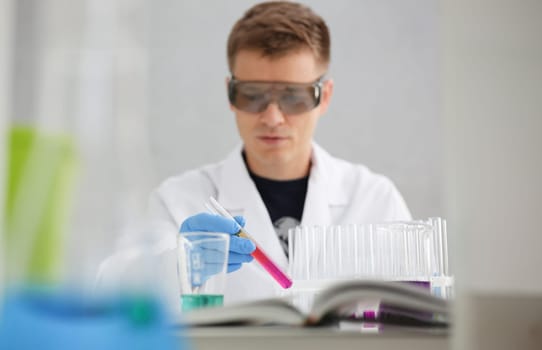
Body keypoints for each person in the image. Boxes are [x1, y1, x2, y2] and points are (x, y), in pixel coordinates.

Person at [146, 1, 411, 308]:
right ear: (230, 94)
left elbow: (419, 321)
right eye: (252, 95)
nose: (272, 117)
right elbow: (118, 292)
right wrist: (175, 266)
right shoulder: (177, 200)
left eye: (293, 96)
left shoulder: (375, 201)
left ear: (324, 97)